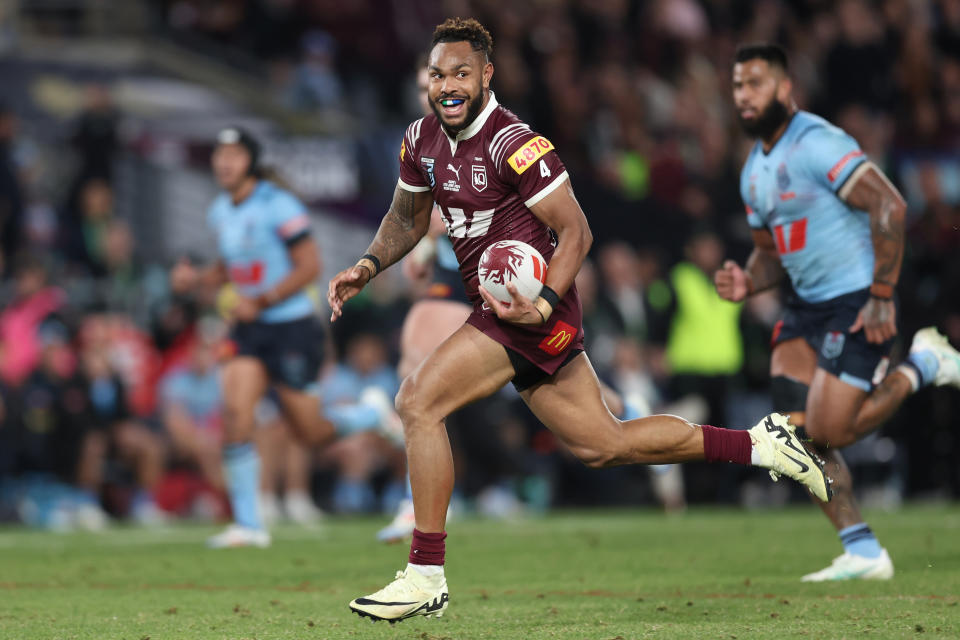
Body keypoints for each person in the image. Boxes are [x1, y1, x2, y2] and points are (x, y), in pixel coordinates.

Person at [328, 19, 831, 623]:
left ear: (487, 75)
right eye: (438, 74)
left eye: (462, 72)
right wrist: (367, 264)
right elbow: (407, 219)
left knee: (417, 403)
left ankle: (425, 574)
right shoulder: (421, 139)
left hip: (532, 308)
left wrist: (541, 302)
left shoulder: (514, 142)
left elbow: (577, 232)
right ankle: (759, 444)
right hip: (510, 308)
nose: (448, 86)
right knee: (604, 444)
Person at [716, 44, 960, 582]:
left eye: (755, 83)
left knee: (834, 430)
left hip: (855, 297)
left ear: (784, 89)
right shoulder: (753, 170)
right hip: (805, 305)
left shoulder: (817, 142)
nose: (744, 95)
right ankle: (862, 548)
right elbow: (771, 256)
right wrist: (746, 280)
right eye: (737, 86)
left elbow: (889, 204)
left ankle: (924, 364)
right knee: (793, 434)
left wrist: (880, 294)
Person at [200, 127, 393, 548]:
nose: (224, 162)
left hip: (290, 326)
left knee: (311, 433)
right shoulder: (220, 211)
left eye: (233, 154)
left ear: (249, 161)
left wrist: (263, 299)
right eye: (219, 155)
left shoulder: (279, 204)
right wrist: (200, 278)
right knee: (236, 414)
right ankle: (249, 525)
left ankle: (369, 416)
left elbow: (309, 265)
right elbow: (231, 265)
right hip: (248, 330)